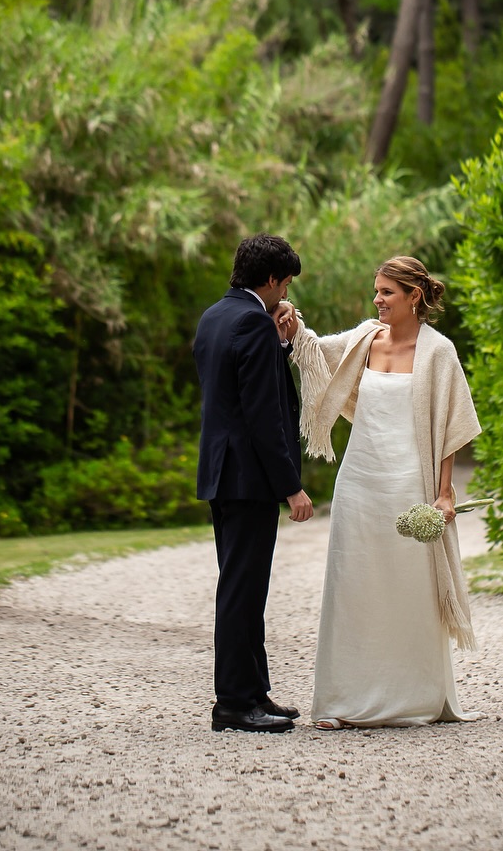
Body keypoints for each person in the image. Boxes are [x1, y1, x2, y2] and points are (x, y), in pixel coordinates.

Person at [281, 255, 483, 729]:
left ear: (414, 296)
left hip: (410, 482)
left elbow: (453, 426)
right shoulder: (365, 340)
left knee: (410, 589)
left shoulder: (439, 352)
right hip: (359, 481)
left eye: (387, 292)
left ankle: (413, 697)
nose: (377, 299)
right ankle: (341, 701)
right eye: (376, 291)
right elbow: (313, 352)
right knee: (352, 584)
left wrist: (445, 492)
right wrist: (292, 323)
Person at [193, 233, 314, 733]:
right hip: (249, 479)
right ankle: (234, 704)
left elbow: (238, 388)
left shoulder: (215, 317)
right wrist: (292, 487)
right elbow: (264, 415)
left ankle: (254, 690)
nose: (285, 295)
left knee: (243, 586)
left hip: (223, 474)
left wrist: (280, 341)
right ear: (269, 279)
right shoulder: (252, 323)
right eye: (284, 285)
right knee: (243, 591)